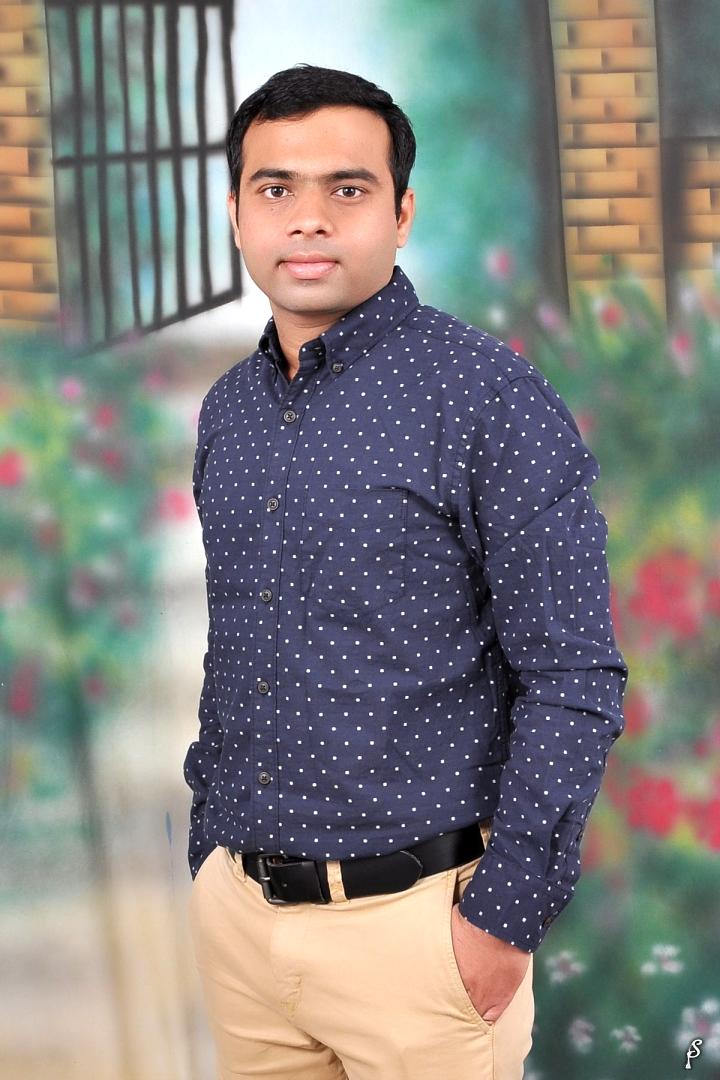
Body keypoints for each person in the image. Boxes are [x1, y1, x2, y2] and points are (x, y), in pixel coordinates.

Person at [184, 63, 628, 1080]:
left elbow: (574, 675)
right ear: (237, 214)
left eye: (347, 188)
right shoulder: (229, 413)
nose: (309, 219)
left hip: (422, 943)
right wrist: (210, 857)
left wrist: (501, 921)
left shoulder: (488, 397)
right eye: (275, 188)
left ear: (401, 212)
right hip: (241, 935)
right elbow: (238, 645)